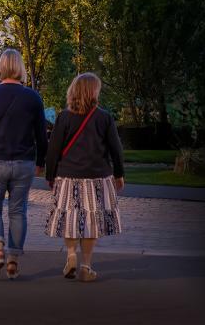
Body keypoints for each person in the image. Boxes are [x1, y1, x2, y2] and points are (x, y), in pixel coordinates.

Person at [0, 48, 48, 280]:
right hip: (23, 161)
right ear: (21, 68)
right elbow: (42, 136)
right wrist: (41, 162)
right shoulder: (33, 98)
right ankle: (13, 259)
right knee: (18, 210)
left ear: (0, 68)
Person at [45, 72, 124, 282]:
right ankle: (86, 266)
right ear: (93, 91)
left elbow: (53, 149)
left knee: (69, 216)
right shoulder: (104, 117)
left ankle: (71, 255)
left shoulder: (63, 117)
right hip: (97, 176)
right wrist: (119, 174)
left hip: (68, 175)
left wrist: (50, 175)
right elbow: (116, 149)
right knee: (92, 221)